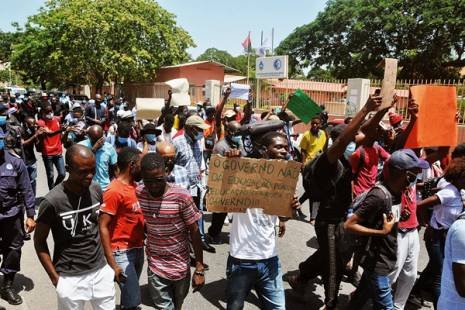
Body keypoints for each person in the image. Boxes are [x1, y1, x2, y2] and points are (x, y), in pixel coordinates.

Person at [288, 95, 382, 309]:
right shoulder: (327, 161)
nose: (358, 142)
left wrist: (382, 110)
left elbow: (366, 133)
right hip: (328, 222)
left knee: (329, 257)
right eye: (353, 139)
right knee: (334, 266)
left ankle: (301, 277)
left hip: (342, 219)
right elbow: (342, 140)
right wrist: (365, 108)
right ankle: (331, 303)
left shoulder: (344, 157)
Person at [34, 144, 115, 310]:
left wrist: (110, 265)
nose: (89, 176)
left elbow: (100, 227)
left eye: (92, 170)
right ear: (68, 169)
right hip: (70, 279)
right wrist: (56, 279)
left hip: (100, 273)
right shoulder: (52, 201)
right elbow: (39, 241)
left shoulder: (96, 189)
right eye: (83, 172)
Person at [345, 149, 429, 309]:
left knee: (359, 300)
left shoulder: (398, 193)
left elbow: (386, 220)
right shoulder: (379, 196)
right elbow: (349, 224)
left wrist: (400, 217)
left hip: (386, 259)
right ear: (399, 173)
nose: (415, 178)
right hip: (377, 263)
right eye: (413, 174)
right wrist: (381, 232)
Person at [225, 131, 299, 310]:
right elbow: (218, 197)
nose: (284, 151)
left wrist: (291, 209)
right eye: (279, 147)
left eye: (286, 147)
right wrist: (230, 164)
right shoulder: (244, 175)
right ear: (264, 150)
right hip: (242, 260)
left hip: (270, 259)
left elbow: (282, 218)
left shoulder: (284, 180)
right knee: (235, 306)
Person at [137, 153, 205, 309]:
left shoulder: (181, 196)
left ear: (166, 172)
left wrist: (199, 268)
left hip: (181, 266)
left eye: (158, 179)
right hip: (156, 267)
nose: (153, 185)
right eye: (148, 181)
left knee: (177, 305)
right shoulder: (139, 193)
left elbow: (194, 233)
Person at [414, 156, 465, 308]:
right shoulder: (449, 193)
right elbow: (420, 205)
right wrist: (427, 222)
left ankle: (415, 291)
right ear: (459, 177)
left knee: (433, 267)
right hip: (436, 237)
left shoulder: (458, 191)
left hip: (446, 236)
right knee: (439, 273)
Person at [99, 147, 145, 310]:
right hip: (121, 253)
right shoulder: (114, 191)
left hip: (138, 249)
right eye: (141, 164)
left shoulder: (135, 186)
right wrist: (112, 262)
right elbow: (102, 226)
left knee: (128, 296)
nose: (143, 167)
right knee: (133, 300)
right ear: (132, 165)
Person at [0, 129, 36, 306]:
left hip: (11, 214)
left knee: (13, 249)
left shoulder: (15, 162)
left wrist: (30, 215)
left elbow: (27, 189)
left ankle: (7, 285)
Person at [172, 115, 215, 253]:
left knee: (196, 217)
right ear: (191, 128)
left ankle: (198, 242)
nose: (202, 132)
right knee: (183, 222)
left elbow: (197, 162)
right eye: (199, 129)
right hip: (181, 189)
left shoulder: (197, 142)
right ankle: (186, 250)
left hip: (195, 187)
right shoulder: (177, 142)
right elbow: (170, 165)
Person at [207, 121, 246, 244]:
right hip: (223, 183)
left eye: (240, 133)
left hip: (237, 182)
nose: (239, 135)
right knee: (220, 212)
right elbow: (216, 168)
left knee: (240, 211)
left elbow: (245, 157)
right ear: (228, 132)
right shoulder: (220, 146)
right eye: (236, 133)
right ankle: (213, 233)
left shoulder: (239, 143)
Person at [438, 163, 465, 309]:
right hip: (439, 234)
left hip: (447, 234)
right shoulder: (450, 192)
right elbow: (463, 288)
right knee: (437, 268)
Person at [350, 125, 390, 196]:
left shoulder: (377, 148)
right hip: (359, 192)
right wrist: (353, 195)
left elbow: (390, 159)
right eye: (378, 130)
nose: (380, 133)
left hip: (371, 192)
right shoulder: (359, 152)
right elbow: (351, 176)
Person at [78, 125, 118, 191]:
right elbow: (79, 165)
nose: (98, 143)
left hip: (104, 188)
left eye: (99, 139)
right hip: (86, 188)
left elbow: (115, 168)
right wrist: (93, 150)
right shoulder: (81, 146)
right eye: (94, 140)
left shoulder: (109, 148)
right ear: (88, 137)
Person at [37, 104, 66, 190]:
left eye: (51, 111)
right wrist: (61, 130)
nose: (50, 113)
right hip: (47, 153)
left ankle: (54, 189)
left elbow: (62, 118)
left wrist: (65, 128)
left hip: (58, 151)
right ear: (42, 113)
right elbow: (49, 134)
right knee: (50, 175)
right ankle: (52, 192)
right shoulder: (41, 122)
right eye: (47, 112)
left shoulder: (57, 119)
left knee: (62, 174)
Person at [21, 116, 43, 195]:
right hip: (23, 160)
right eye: (32, 124)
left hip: (32, 160)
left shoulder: (33, 131)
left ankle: (32, 199)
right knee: (24, 182)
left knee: (33, 180)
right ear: (26, 124)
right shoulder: (20, 130)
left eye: (35, 124)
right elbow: (22, 144)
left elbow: (38, 148)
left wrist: (40, 137)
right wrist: (35, 135)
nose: (34, 125)